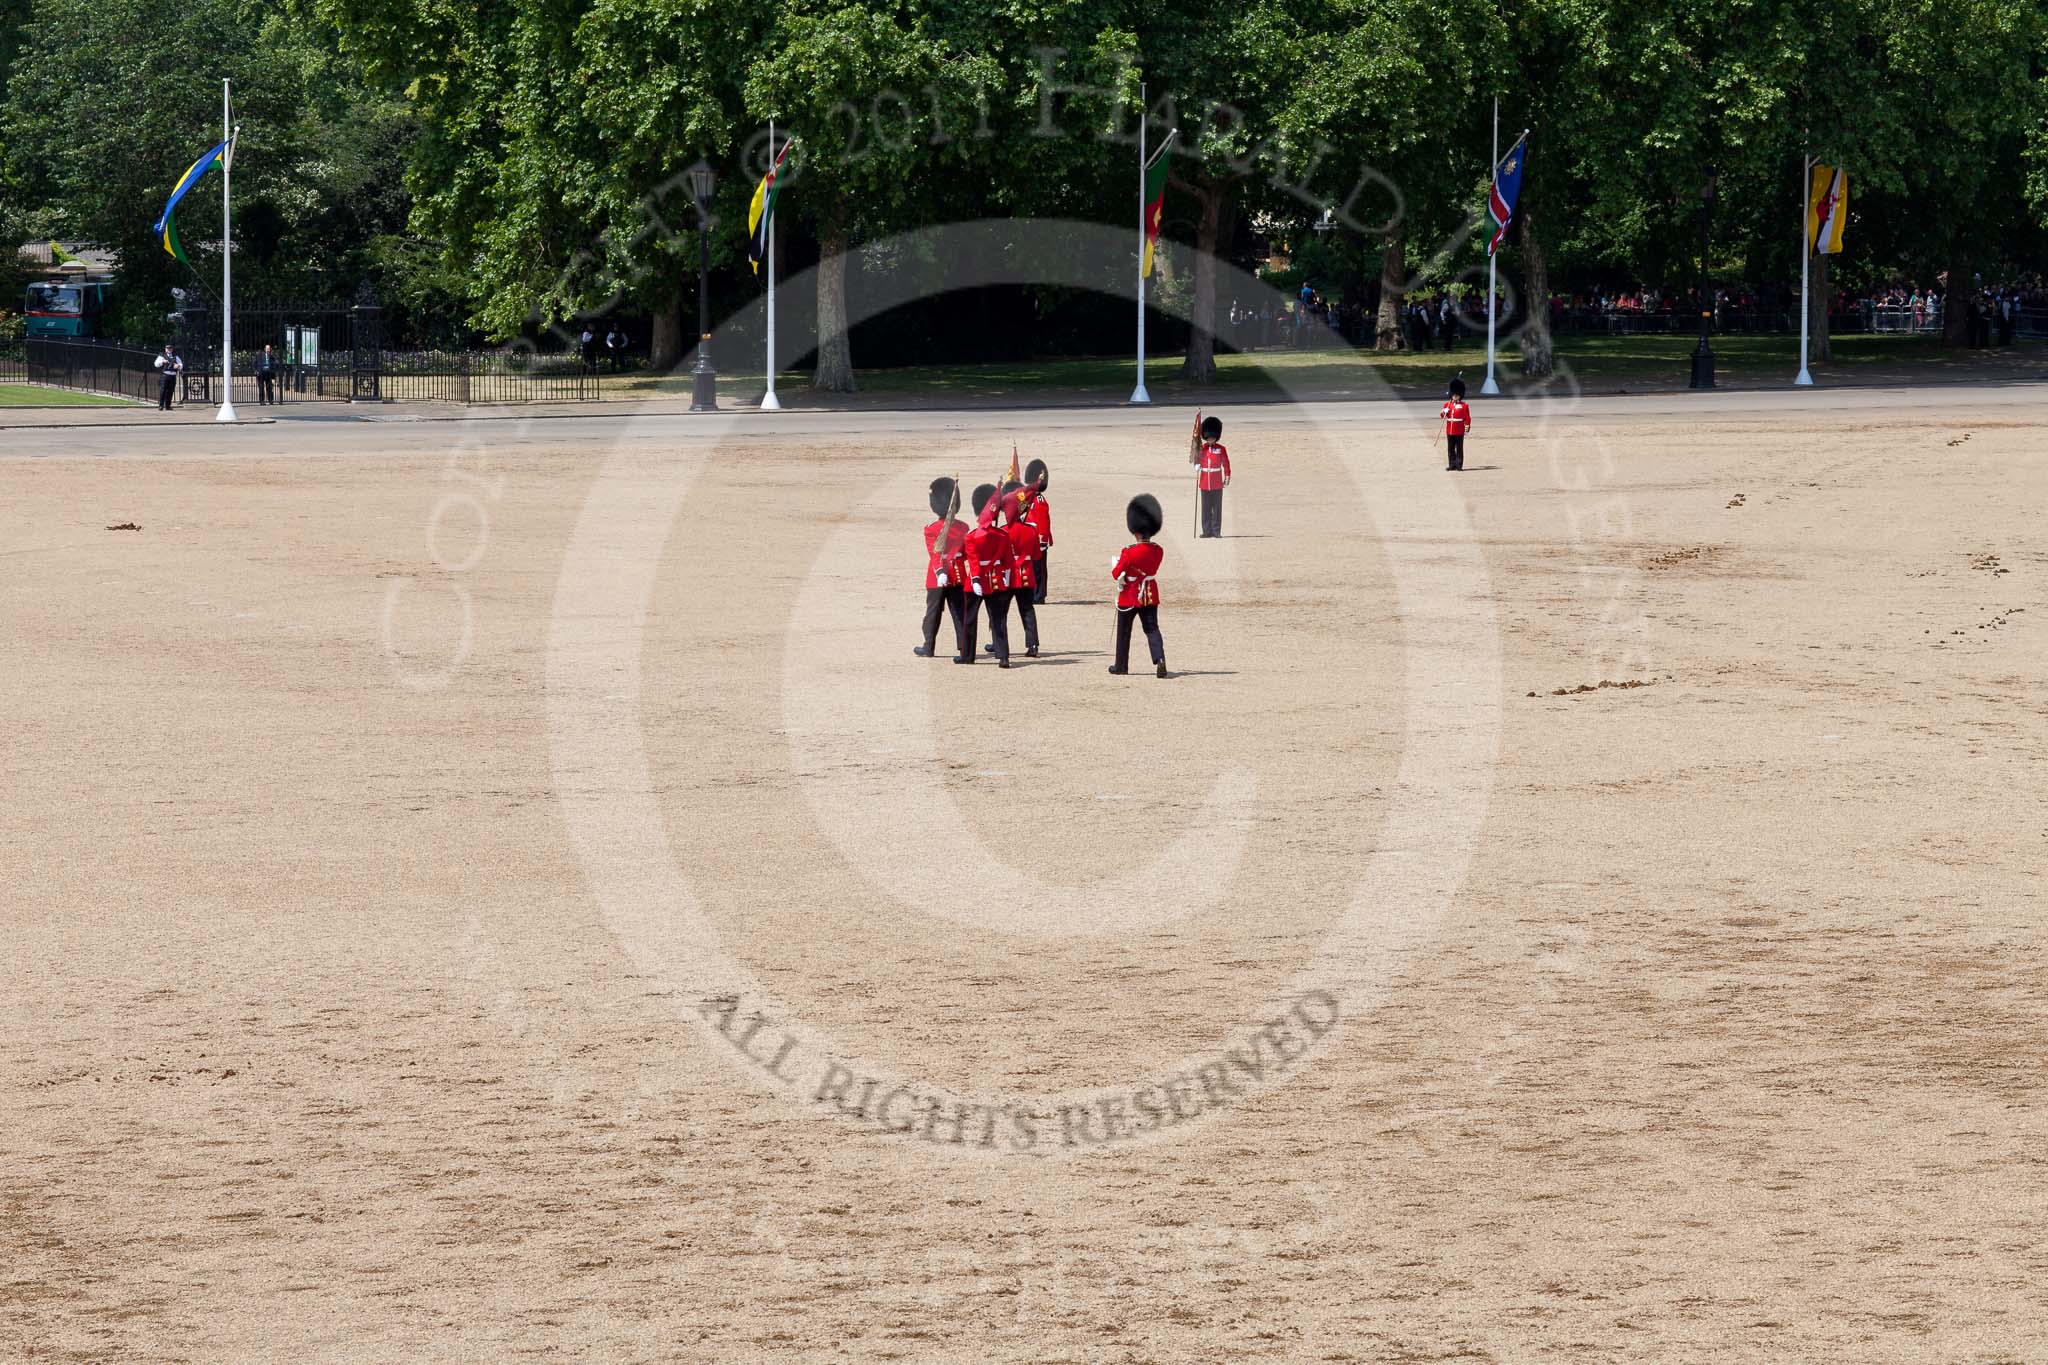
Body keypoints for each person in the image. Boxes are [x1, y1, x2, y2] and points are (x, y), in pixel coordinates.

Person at [1109, 494, 1167, 678]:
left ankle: (1121, 666)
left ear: (1136, 531)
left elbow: (1116, 573)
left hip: (1130, 595)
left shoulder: (1129, 552)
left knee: (1124, 632)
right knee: (1152, 628)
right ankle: (1160, 659)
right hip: (1149, 594)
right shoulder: (1158, 550)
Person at [960, 482, 1014, 667]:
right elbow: (1008, 561)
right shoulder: (1002, 535)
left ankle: (968, 656)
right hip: (997, 580)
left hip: (977, 581)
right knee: (998, 620)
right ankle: (1003, 656)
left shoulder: (971, 536)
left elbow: (973, 560)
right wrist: (1005, 577)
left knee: (970, 620)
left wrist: (976, 579)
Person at [916, 477, 968, 660]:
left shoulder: (931, 529)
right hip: (957, 574)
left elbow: (934, 554)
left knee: (933, 613)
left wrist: (939, 572)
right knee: (959, 613)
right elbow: (965, 553)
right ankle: (964, 648)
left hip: (936, 578)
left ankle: (928, 646)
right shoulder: (963, 527)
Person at [1194, 415, 1231, 538]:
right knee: (1205, 508)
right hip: (1205, 481)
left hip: (1216, 482)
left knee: (1216, 508)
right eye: (1209, 438)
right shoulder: (1202, 448)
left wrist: (1227, 475)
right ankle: (1206, 531)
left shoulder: (1221, 449)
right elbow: (1197, 459)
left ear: (1216, 437)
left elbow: (1225, 463)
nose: (1210, 440)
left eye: (1212, 438)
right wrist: (1196, 465)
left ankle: (1216, 531)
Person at [1023, 458, 1052, 604]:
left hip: (1037, 540)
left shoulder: (1040, 501)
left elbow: (1043, 523)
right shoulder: (1027, 497)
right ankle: (1032, 593)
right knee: (1031, 568)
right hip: (1028, 539)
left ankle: (1039, 595)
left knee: (1039, 569)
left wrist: (1043, 541)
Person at [1440, 376, 1472, 472]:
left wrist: (1467, 427)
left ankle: (1459, 465)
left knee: (1459, 448)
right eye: (1454, 395)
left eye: (1457, 395)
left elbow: (1467, 417)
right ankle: (1451, 465)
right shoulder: (1447, 405)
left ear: (1460, 396)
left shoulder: (1464, 405)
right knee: (1450, 449)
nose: (1455, 397)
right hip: (1450, 430)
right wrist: (1444, 411)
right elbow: (1443, 416)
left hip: (1459, 430)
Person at [154, 345, 183, 411]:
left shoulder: (175, 356)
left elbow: (181, 364)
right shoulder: (162, 356)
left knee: (170, 391)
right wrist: (162, 362)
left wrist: (178, 365)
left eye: (170, 348)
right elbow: (156, 364)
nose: (169, 349)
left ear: (172, 349)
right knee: (163, 391)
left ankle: (168, 406)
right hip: (165, 375)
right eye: (168, 348)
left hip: (173, 376)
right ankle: (161, 405)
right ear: (165, 349)